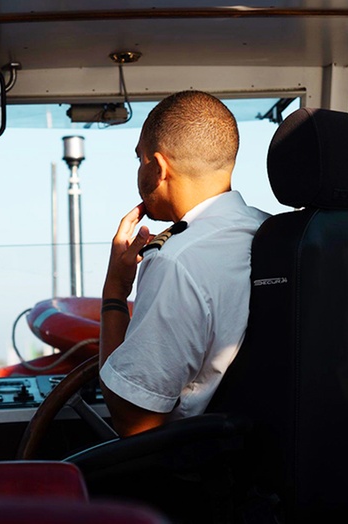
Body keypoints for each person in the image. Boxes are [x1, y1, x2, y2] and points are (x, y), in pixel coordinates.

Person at [99, 91, 270, 437]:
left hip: (195, 478)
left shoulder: (176, 262)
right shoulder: (273, 233)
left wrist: (115, 288)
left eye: (140, 159)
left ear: (158, 167)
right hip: (266, 467)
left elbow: (133, 425)